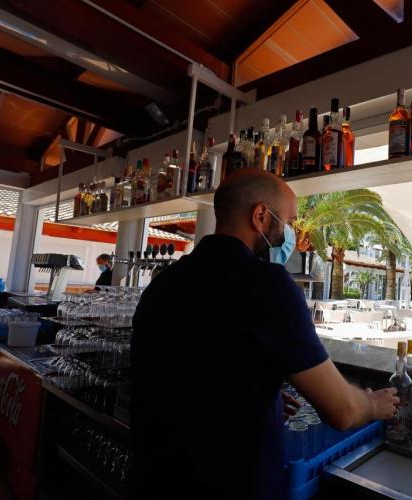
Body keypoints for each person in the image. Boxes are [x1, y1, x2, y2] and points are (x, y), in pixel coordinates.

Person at [129, 169, 398, 499]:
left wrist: (255, 396)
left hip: (151, 480)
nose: (291, 235)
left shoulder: (164, 282)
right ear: (260, 216)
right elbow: (343, 411)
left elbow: (189, 369)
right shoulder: (267, 284)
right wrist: (372, 404)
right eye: (288, 221)